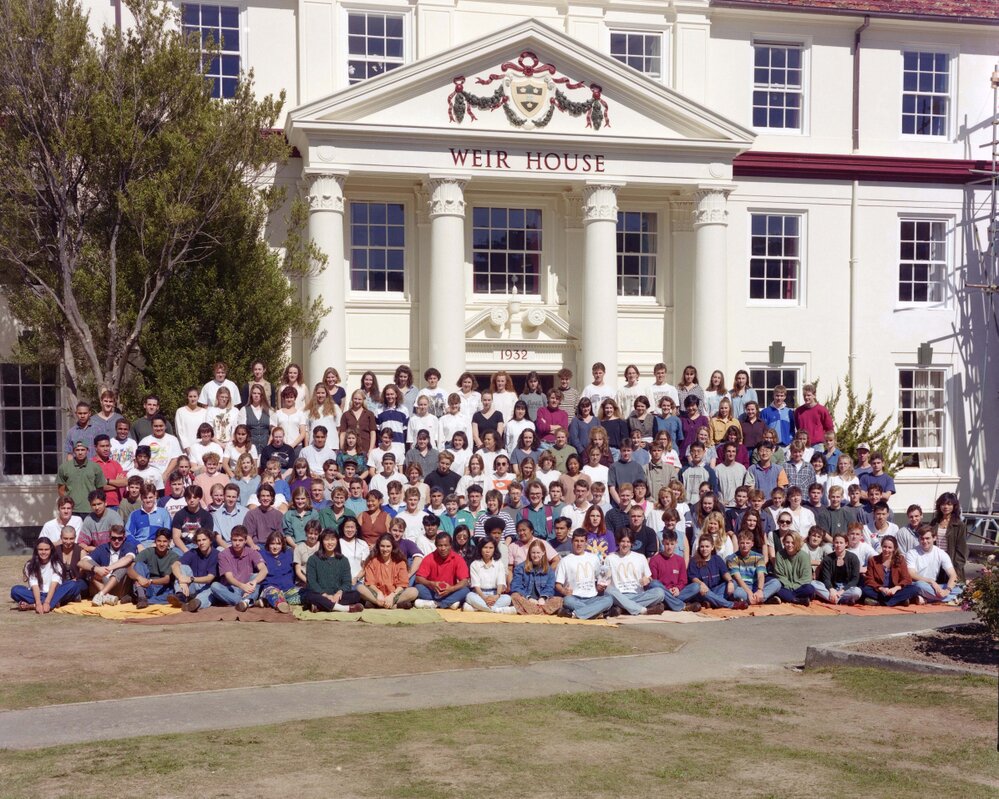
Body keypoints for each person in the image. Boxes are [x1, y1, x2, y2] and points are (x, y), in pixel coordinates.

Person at [602, 531, 666, 616]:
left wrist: (647, 579)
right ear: (618, 542)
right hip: (619, 595)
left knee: (660, 592)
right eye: (623, 541)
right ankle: (642, 610)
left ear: (632, 543)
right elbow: (604, 581)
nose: (625, 544)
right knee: (608, 590)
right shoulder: (610, 558)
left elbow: (649, 578)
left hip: (638, 595)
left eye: (628, 542)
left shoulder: (640, 557)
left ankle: (623, 608)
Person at [554, 529, 614, 620]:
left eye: (582, 541)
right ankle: (597, 613)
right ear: (572, 542)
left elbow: (600, 578)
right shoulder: (564, 561)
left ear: (586, 542)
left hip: (593, 598)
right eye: (576, 541)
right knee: (567, 601)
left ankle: (574, 614)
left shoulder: (594, 558)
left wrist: (600, 586)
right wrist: (564, 591)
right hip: (574, 598)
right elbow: (558, 584)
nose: (579, 544)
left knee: (609, 600)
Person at [11, 537, 82, 612]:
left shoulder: (57, 563)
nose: (43, 552)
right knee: (15, 590)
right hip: (37, 594)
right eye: (40, 549)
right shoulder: (30, 565)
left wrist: (47, 602)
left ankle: (33, 605)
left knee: (73, 585)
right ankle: (54, 603)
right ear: (36, 550)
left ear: (51, 550)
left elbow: (54, 585)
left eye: (46, 549)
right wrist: (38, 603)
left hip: (55, 593)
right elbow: (34, 585)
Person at [302, 528, 364, 612]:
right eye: (326, 540)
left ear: (337, 541)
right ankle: (346, 608)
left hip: (337, 595)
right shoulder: (313, 559)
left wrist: (339, 592)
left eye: (332, 539)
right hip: (320, 594)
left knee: (356, 595)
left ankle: (320, 606)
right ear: (322, 542)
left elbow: (347, 582)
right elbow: (312, 582)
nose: (330, 543)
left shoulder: (343, 560)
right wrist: (325, 595)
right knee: (309, 595)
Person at [210, 525, 268, 611]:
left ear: (245, 541)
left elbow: (264, 570)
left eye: (240, 540)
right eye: (234, 540)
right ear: (231, 540)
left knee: (256, 577)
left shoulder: (251, 552)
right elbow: (229, 577)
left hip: (247, 588)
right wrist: (242, 586)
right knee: (214, 586)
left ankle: (245, 601)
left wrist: (254, 582)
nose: (237, 543)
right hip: (231, 589)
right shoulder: (223, 554)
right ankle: (248, 602)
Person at [79, 525, 137, 606]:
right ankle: (107, 596)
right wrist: (96, 569)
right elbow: (81, 563)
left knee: (125, 565)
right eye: (114, 538)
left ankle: (101, 594)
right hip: (102, 582)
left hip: (119, 586)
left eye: (120, 538)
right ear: (109, 537)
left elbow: (128, 558)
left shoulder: (128, 546)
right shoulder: (102, 547)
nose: (117, 541)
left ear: (124, 538)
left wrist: (108, 568)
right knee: (88, 566)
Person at [360, 533, 419, 609]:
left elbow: (402, 584)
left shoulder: (400, 562)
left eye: (388, 546)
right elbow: (370, 583)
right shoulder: (372, 561)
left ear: (392, 547)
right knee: (360, 588)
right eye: (382, 546)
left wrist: (392, 596)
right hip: (377, 595)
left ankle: (379, 604)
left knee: (414, 591)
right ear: (378, 546)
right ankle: (393, 605)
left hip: (394, 595)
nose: (385, 549)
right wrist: (379, 593)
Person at [648, 528, 701, 612]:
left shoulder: (680, 560)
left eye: (672, 544)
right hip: (663, 591)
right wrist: (667, 590)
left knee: (696, 586)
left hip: (676, 592)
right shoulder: (655, 560)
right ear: (662, 543)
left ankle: (667, 604)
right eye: (667, 544)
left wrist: (678, 589)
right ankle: (681, 606)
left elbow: (683, 580)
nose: (669, 547)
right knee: (654, 584)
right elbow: (655, 581)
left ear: (676, 543)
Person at [414, 532, 471, 608]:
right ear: (436, 545)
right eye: (440, 545)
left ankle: (436, 604)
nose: (443, 548)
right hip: (433, 591)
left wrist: (451, 589)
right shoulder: (429, 558)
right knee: (418, 587)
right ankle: (449, 603)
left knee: (466, 590)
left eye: (446, 545)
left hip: (450, 591)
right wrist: (432, 584)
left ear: (450, 545)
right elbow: (418, 578)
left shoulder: (458, 559)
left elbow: (464, 581)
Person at [167, 528, 218, 612]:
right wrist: (181, 579)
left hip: (207, 587)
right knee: (183, 567)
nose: (201, 543)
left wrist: (191, 579)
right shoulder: (193, 552)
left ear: (210, 541)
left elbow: (210, 578)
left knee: (211, 590)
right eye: (199, 540)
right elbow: (174, 565)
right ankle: (181, 596)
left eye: (204, 540)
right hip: (192, 586)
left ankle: (194, 604)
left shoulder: (216, 554)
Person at [861, 535, 921, 607]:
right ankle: (898, 601)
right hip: (880, 590)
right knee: (865, 590)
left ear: (894, 549)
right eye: (884, 546)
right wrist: (881, 588)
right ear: (881, 546)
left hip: (895, 590)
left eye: (889, 548)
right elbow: (869, 579)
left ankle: (882, 602)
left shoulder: (900, 559)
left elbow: (907, 579)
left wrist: (895, 588)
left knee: (915, 589)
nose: (886, 550)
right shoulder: (873, 560)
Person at [906, 526, 961, 604]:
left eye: (927, 538)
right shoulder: (912, 553)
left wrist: (947, 590)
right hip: (918, 584)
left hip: (934, 587)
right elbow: (911, 574)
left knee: (959, 588)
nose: (924, 541)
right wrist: (931, 581)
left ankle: (926, 599)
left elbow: (953, 575)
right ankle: (951, 598)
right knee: (919, 585)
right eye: (922, 538)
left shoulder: (941, 553)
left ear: (934, 538)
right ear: (918, 539)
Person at [509, 539, 563, 615]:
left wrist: (543, 598)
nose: (535, 555)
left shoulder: (549, 570)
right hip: (526, 599)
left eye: (538, 553)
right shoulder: (520, 568)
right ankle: (540, 611)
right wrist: (529, 598)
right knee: (514, 596)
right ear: (529, 553)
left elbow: (550, 587)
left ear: (543, 553)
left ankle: (529, 610)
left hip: (541, 601)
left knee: (559, 600)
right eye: (533, 552)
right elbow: (515, 586)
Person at [127, 529, 179, 608]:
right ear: (155, 541)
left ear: (169, 542)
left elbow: (166, 579)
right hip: (146, 587)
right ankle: (141, 597)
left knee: (170, 598)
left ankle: (136, 598)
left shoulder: (174, 556)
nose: (161, 544)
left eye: (165, 541)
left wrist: (150, 581)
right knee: (139, 564)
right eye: (159, 541)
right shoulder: (148, 552)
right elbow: (130, 569)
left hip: (163, 588)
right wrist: (139, 577)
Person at [727, 531, 781, 605]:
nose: (745, 545)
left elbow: (760, 575)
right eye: (742, 543)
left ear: (752, 544)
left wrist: (760, 590)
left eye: (747, 543)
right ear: (738, 544)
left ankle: (755, 599)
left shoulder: (759, 557)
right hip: (742, 587)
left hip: (755, 585)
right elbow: (738, 578)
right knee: (736, 593)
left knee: (776, 583)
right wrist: (749, 593)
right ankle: (762, 599)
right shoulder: (731, 558)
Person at [465, 537, 515, 613]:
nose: (488, 551)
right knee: (469, 596)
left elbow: (500, 582)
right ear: (480, 549)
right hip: (479, 594)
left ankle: (477, 608)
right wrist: (484, 598)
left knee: (507, 598)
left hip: (494, 594)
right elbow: (476, 586)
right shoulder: (475, 564)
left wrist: (496, 596)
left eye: (491, 548)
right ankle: (498, 610)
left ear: (494, 549)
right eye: (485, 547)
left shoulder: (499, 564)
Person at [811, 532, 862, 605]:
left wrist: (842, 591)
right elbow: (826, 578)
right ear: (833, 544)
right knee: (813, 584)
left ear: (846, 544)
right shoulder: (828, 559)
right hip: (831, 588)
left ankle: (834, 599)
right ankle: (841, 600)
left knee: (857, 592)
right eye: (836, 542)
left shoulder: (853, 558)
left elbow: (855, 579)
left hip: (846, 589)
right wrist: (831, 590)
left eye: (841, 543)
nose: (838, 545)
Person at [58, 442, 107, 513]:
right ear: (74, 451)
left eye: (83, 450)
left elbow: (100, 490)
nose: (80, 452)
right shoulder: (64, 467)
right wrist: (67, 505)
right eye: (77, 450)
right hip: (72, 510)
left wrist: (97, 506)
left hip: (90, 509)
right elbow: (61, 490)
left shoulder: (95, 467)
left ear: (87, 451)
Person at [930, 492, 968, 582]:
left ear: (954, 506)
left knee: (950, 590)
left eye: (949, 504)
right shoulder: (935, 522)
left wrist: (957, 567)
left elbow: (962, 549)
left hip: (951, 563)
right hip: (936, 561)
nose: (946, 507)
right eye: (943, 504)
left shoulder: (959, 525)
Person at [259, 532, 301, 612]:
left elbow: (294, 572)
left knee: (302, 593)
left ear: (282, 545)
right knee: (274, 595)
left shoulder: (289, 554)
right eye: (272, 544)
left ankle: (311, 603)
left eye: (278, 544)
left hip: (288, 588)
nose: (275, 547)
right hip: (271, 587)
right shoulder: (261, 554)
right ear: (268, 544)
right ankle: (281, 605)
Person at [773, 530, 817, 605]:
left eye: (793, 543)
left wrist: (792, 587)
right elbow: (779, 575)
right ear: (784, 542)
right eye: (787, 542)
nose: (790, 545)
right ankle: (797, 600)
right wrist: (789, 586)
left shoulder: (804, 556)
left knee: (810, 588)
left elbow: (806, 578)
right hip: (785, 586)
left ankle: (788, 597)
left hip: (800, 587)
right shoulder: (779, 555)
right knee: (776, 588)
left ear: (797, 543)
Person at [238, 383, 273, 454]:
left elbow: (273, 430)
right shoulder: (244, 410)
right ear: (251, 394)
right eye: (254, 393)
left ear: (262, 395)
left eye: (259, 393)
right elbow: (242, 431)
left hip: (266, 448)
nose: (256, 395)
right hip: (249, 448)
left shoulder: (269, 410)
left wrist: (268, 446)